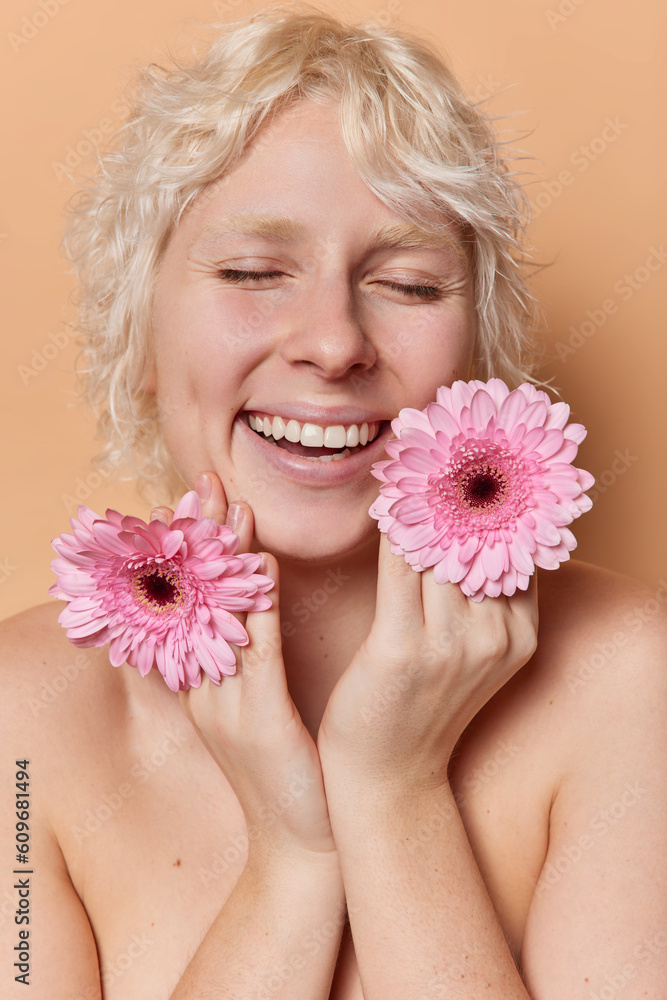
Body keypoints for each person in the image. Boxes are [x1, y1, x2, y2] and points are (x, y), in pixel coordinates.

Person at [1, 7, 665, 998]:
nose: (332, 343)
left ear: (474, 350)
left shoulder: (632, 684)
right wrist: (292, 858)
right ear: (137, 335)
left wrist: (391, 792)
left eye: (404, 283)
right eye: (253, 272)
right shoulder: (22, 721)